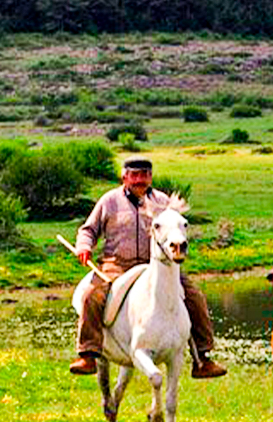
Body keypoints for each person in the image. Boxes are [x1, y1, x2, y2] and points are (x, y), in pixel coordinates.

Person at [68, 158, 227, 379]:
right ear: (124, 177)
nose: (140, 180)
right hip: (117, 264)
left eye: (145, 175)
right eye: (135, 175)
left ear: (151, 177)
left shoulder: (162, 201)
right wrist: (84, 247)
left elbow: (175, 230)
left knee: (195, 297)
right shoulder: (109, 201)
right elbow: (88, 229)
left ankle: (203, 358)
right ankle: (88, 354)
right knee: (92, 296)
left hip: (158, 265)